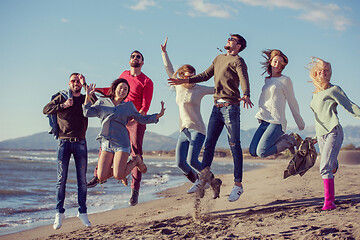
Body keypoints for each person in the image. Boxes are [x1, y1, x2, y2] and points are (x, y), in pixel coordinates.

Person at [168, 34, 253, 202]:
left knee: (234, 145)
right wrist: (184, 81)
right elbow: (205, 75)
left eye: (233, 39)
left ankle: (238, 185)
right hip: (217, 108)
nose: (228, 40)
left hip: (231, 107)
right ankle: (203, 179)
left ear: (239, 46)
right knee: (209, 146)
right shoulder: (218, 58)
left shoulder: (238, 61)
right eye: (229, 38)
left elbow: (244, 78)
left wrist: (246, 94)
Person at [87, 50, 154, 206]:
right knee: (105, 141)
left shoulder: (147, 81)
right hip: (120, 117)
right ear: (129, 60)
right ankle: (98, 176)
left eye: (138, 57)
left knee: (135, 151)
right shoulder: (124, 74)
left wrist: (133, 117)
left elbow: (145, 107)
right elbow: (114, 91)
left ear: (142, 62)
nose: (135, 58)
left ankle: (134, 190)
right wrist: (95, 91)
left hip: (134, 119)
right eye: (133, 56)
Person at [83, 79, 165, 193]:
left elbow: (141, 118)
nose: (122, 90)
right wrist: (88, 97)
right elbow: (87, 112)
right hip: (106, 144)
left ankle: (135, 161)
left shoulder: (128, 106)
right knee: (101, 176)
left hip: (122, 144)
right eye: (120, 87)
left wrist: (157, 116)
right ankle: (124, 169)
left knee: (118, 175)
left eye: (125, 89)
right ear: (115, 88)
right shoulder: (102, 103)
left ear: (127, 93)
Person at [43, 73, 96, 230]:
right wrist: (63, 105)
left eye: (78, 81)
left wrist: (86, 85)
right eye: (73, 81)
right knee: (61, 180)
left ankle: (83, 212)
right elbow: (46, 109)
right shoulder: (61, 97)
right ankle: (59, 213)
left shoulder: (84, 98)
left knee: (82, 181)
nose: (76, 83)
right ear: (69, 83)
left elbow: (95, 103)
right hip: (64, 143)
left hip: (80, 142)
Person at [161, 37, 214, 193]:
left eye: (193, 75)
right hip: (183, 131)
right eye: (188, 75)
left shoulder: (200, 88)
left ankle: (212, 180)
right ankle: (199, 183)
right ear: (182, 76)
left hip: (197, 130)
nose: (191, 78)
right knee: (180, 163)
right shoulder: (178, 87)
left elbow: (217, 89)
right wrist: (164, 53)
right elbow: (169, 68)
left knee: (192, 160)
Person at [307, 57, 360, 210]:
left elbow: (350, 105)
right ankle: (334, 163)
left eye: (326, 70)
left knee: (324, 167)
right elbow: (319, 117)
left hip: (333, 131)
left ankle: (329, 203)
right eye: (320, 70)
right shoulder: (315, 94)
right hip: (321, 135)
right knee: (329, 164)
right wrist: (316, 137)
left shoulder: (334, 90)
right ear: (316, 73)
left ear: (329, 74)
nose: (323, 72)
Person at [249, 49, 305, 159]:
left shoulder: (285, 80)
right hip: (265, 121)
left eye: (280, 63)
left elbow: (292, 101)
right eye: (275, 61)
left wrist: (300, 123)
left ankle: (290, 140)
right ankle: (283, 139)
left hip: (276, 121)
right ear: (270, 62)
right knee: (252, 151)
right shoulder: (267, 80)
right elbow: (265, 100)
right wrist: (261, 114)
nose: (277, 65)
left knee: (262, 152)